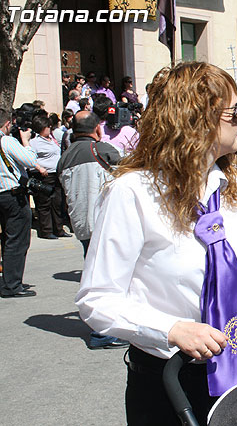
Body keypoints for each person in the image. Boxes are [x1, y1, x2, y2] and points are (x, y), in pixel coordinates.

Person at [75, 62, 237, 425]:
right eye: (235, 112)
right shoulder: (133, 192)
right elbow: (97, 298)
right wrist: (170, 329)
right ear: (196, 118)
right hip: (171, 381)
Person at [58, 111, 126, 349]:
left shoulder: (65, 156)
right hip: (106, 223)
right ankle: (103, 333)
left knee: (96, 275)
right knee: (110, 280)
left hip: (82, 225)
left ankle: (104, 329)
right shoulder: (102, 150)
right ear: (97, 128)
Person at [0, 108, 37, 298]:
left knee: (6, 239)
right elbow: (30, 160)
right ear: (7, 124)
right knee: (17, 240)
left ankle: (7, 279)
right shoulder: (6, 141)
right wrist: (26, 142)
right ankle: (12, 285)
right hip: (12, 195)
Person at [29, 114, 70, 239]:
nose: (50, 129)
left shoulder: (51, 139)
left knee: (57, 202)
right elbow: (30, 158)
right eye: (47, 127)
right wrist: (40, 168)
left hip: (56, 174)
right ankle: (46, 230)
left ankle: (58, 229)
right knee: (44, 203)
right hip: (45, 175)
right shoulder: (34, 142)